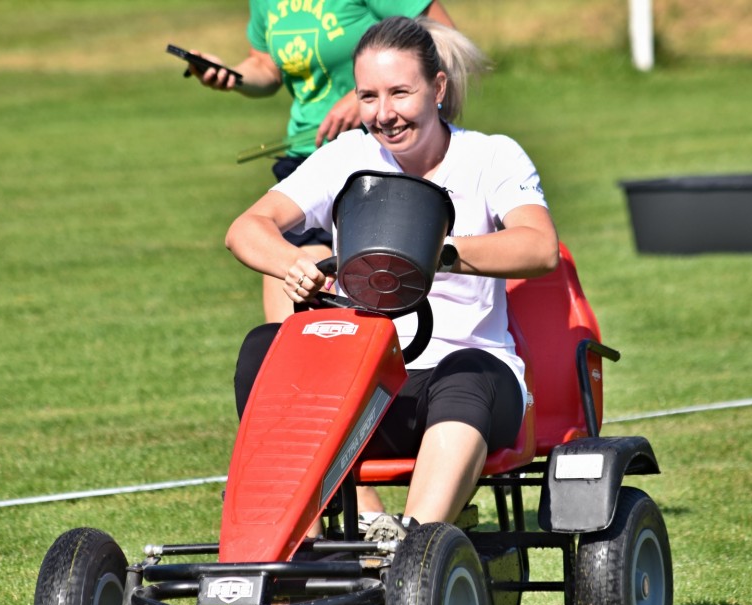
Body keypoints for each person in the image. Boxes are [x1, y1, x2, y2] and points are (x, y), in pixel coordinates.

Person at [225, 16, 559, 541]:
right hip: (365, 385)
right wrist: (293, 264)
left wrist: (437, 253)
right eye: (369, 96)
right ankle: (292, 545)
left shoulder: (491, 156)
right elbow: (246, 228)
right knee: (266, 348)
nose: (384, 114)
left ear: (438, 89)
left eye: (400, 93)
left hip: (468, 381)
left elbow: (539, 247)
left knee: (468, 371)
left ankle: (411, 548)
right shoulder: (346, 157)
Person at [186, 1, 454, 324]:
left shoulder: (483, 153)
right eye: (368, 95)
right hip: (309, 158)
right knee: (291, 333)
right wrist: (233, 75)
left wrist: (365, 97)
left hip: (381, 162)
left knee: (385, 312)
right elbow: (266, 67)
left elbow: (442, 39)